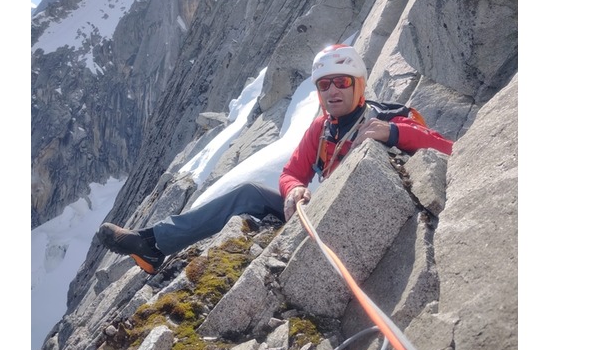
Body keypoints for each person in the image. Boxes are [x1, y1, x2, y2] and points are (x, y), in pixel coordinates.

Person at [97, 44, 455, 274]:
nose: (331, 91)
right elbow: (291, 173)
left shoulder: (390, 117)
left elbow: (447, 150)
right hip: (323, 211)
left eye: (341, 82)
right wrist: (294, 191)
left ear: (359, 84)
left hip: (378, 219)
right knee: (249, 193)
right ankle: (154, 244)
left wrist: (393, 134)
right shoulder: (322, 129)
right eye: (323, 85)